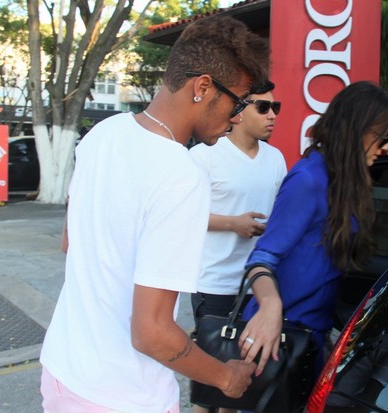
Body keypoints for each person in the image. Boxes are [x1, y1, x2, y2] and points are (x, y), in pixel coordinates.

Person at [40, 15, 270, 413]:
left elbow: (70, 243)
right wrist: (226, 377)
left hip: (64, 374)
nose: (237, 116)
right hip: (123, 396)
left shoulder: (103, 134)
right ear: (202, 87)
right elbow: (151, 334)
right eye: (239, 101)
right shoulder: (181, 177)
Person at [234, 82, 388, 387]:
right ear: (356, 130)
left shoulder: (346, 181)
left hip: (313, 339)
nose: (386, 147)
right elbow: (261, 260)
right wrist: (271, 307)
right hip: (280, 340)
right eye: (382, 137)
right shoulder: (308, 178)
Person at [189, 79, 286, 413]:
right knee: (208, 386)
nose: (272, 115)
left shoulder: (276, 158)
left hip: (257, 288)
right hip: (214, 283)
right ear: (239, 112)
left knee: (240, 383)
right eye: (263, 107)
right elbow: (183, 215)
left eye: (276, 108)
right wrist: (234, 223)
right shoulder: (204, 156)